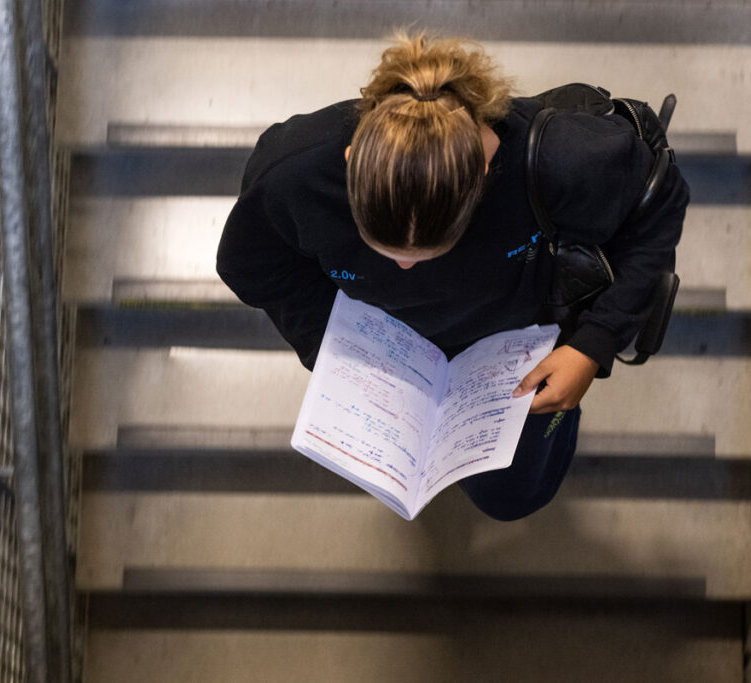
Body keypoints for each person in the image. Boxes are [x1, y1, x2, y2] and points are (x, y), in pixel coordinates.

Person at [217, 33, 689, 521]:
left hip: (520, 348)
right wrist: (327, 346)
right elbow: (251, 265)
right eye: (386, 251)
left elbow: (662, 207)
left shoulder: (566, 160)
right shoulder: (291, 174)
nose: (403, 271)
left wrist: (592, 345)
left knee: (512, 496)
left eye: (428, 253)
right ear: (351, 161)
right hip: (396, 355)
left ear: (483, 172)